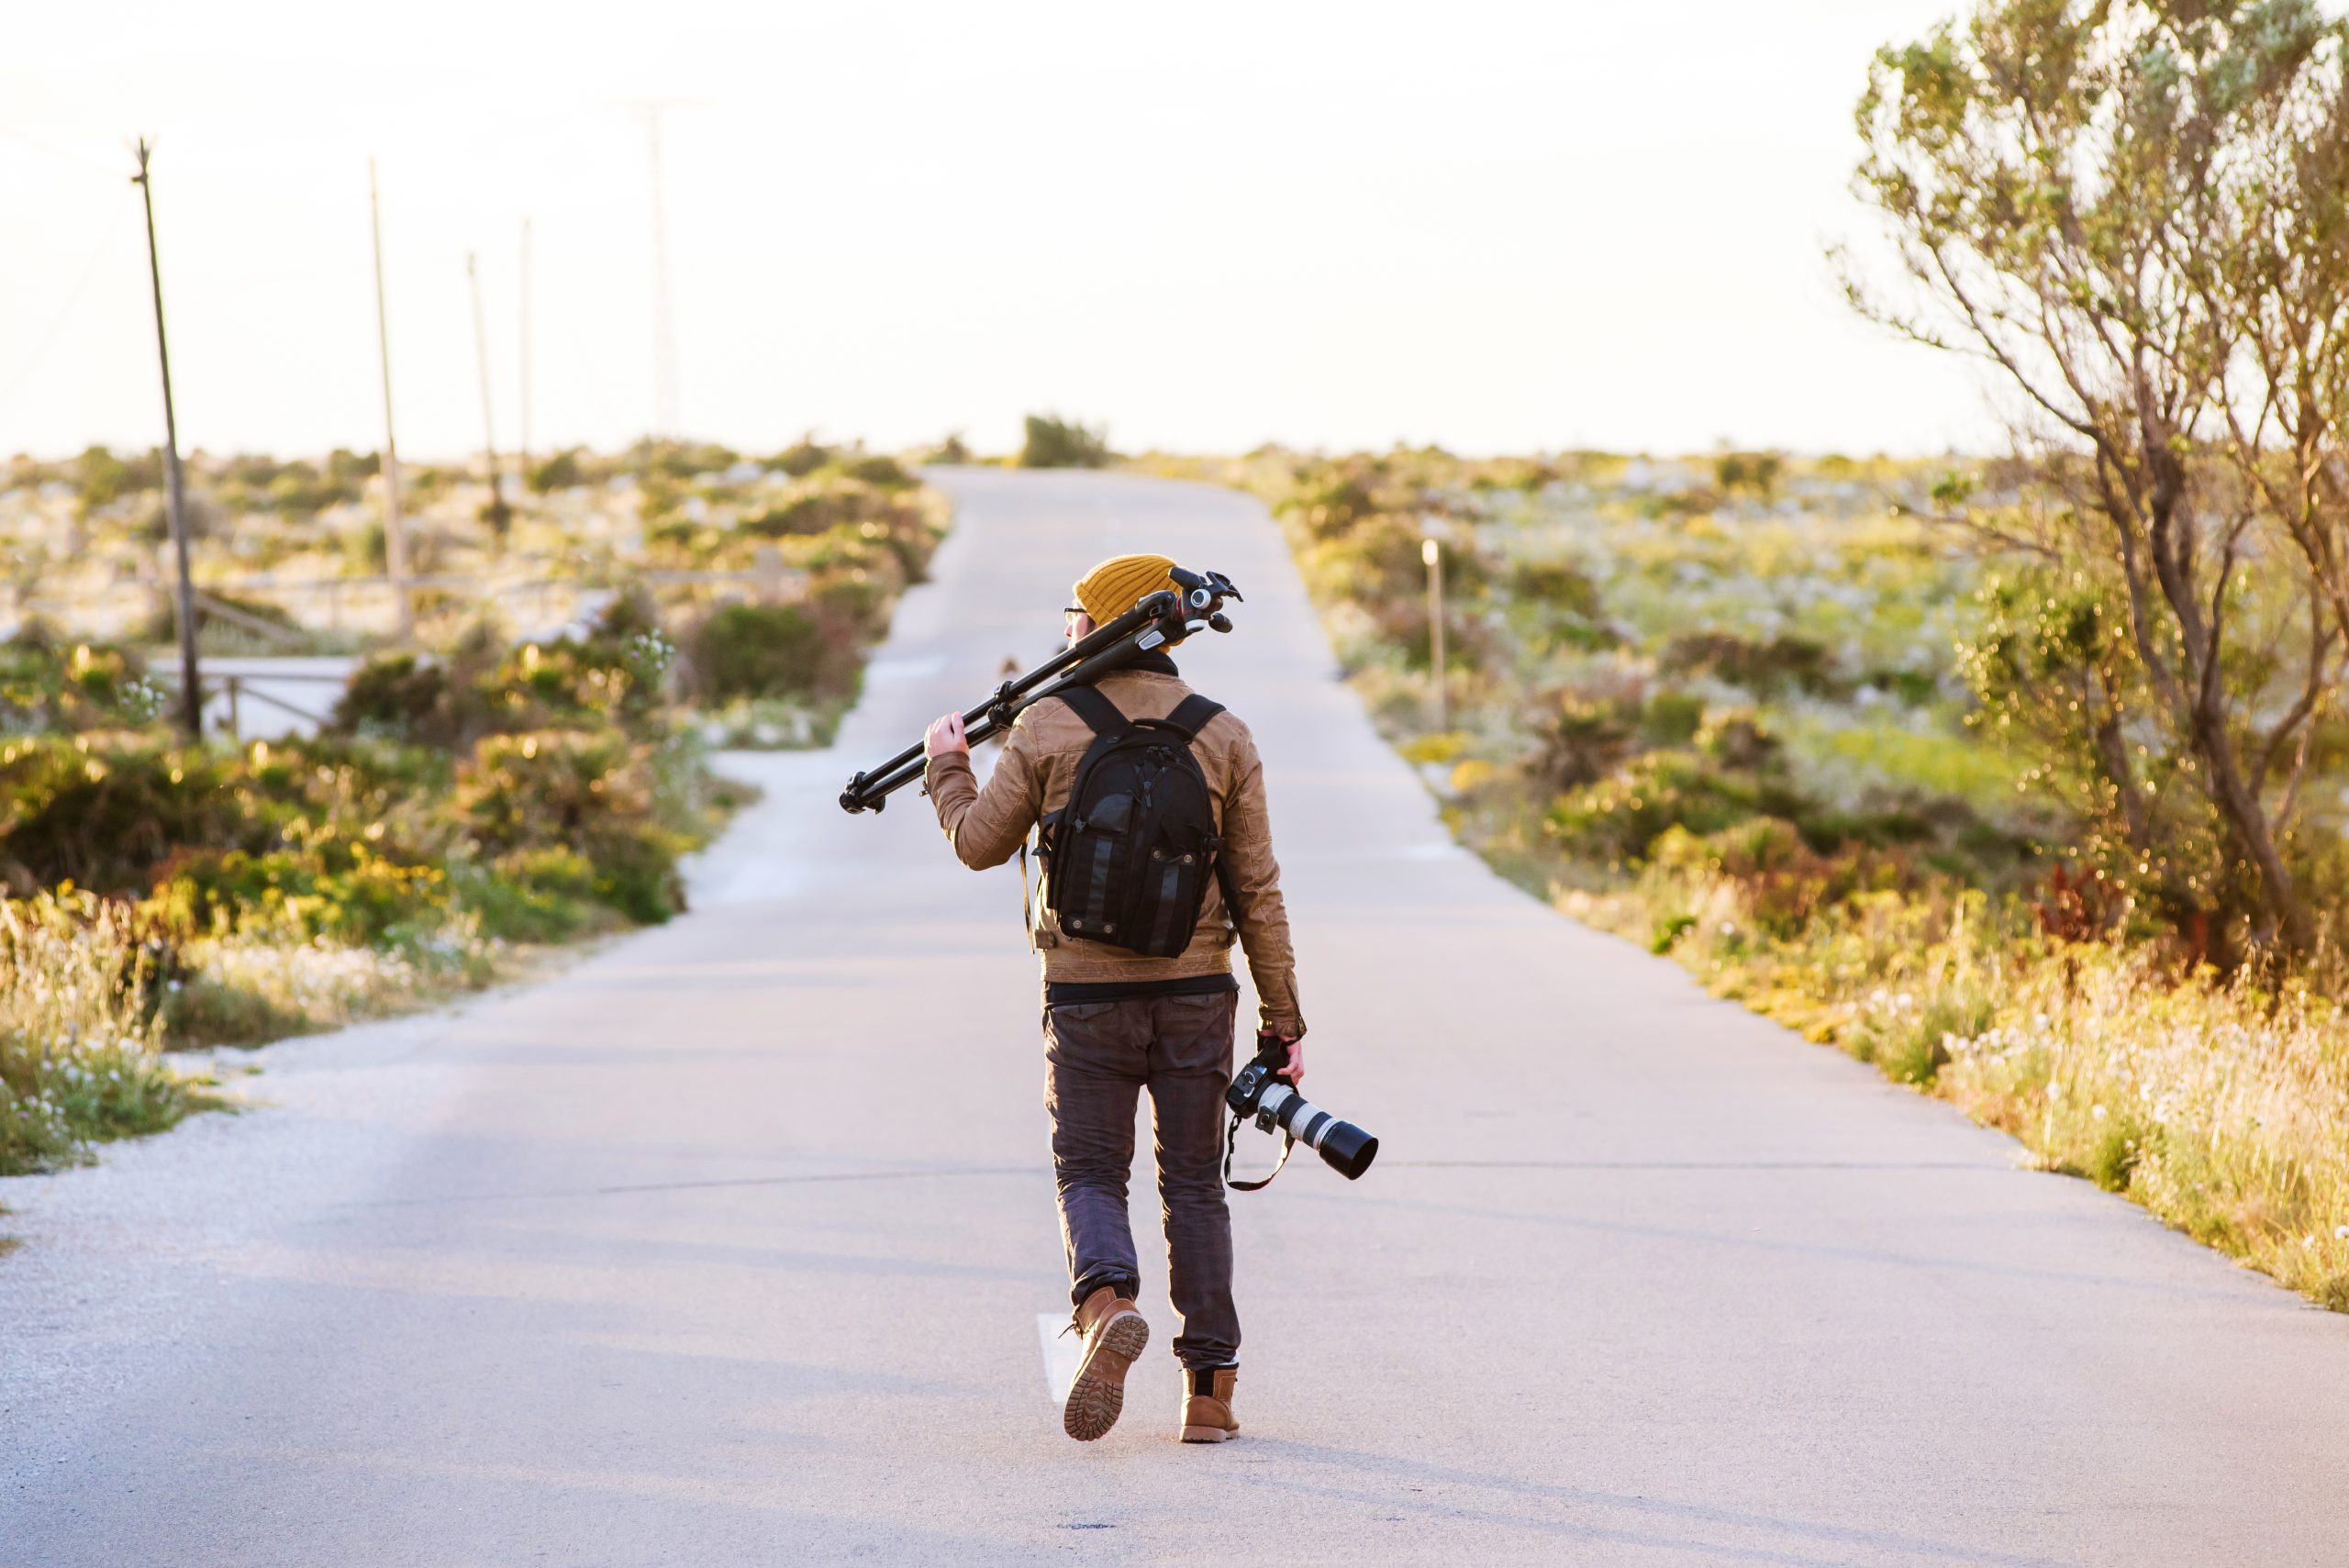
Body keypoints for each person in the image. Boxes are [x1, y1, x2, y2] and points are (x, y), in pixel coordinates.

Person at [922, 552, 1304, 1445]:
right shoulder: (1223, 733)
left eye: (1074, 616)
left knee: (1091, 1170)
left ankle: (1104, 1303)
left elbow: (979, 843)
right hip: (1198, 993)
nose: (1066, 630)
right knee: (1192, 1185)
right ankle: (1209, 1390)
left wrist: (948, 766)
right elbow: (1259, 892)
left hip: (1085, 996)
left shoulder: (1048, 724)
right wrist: (1282, 1023)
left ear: (1098, 626)